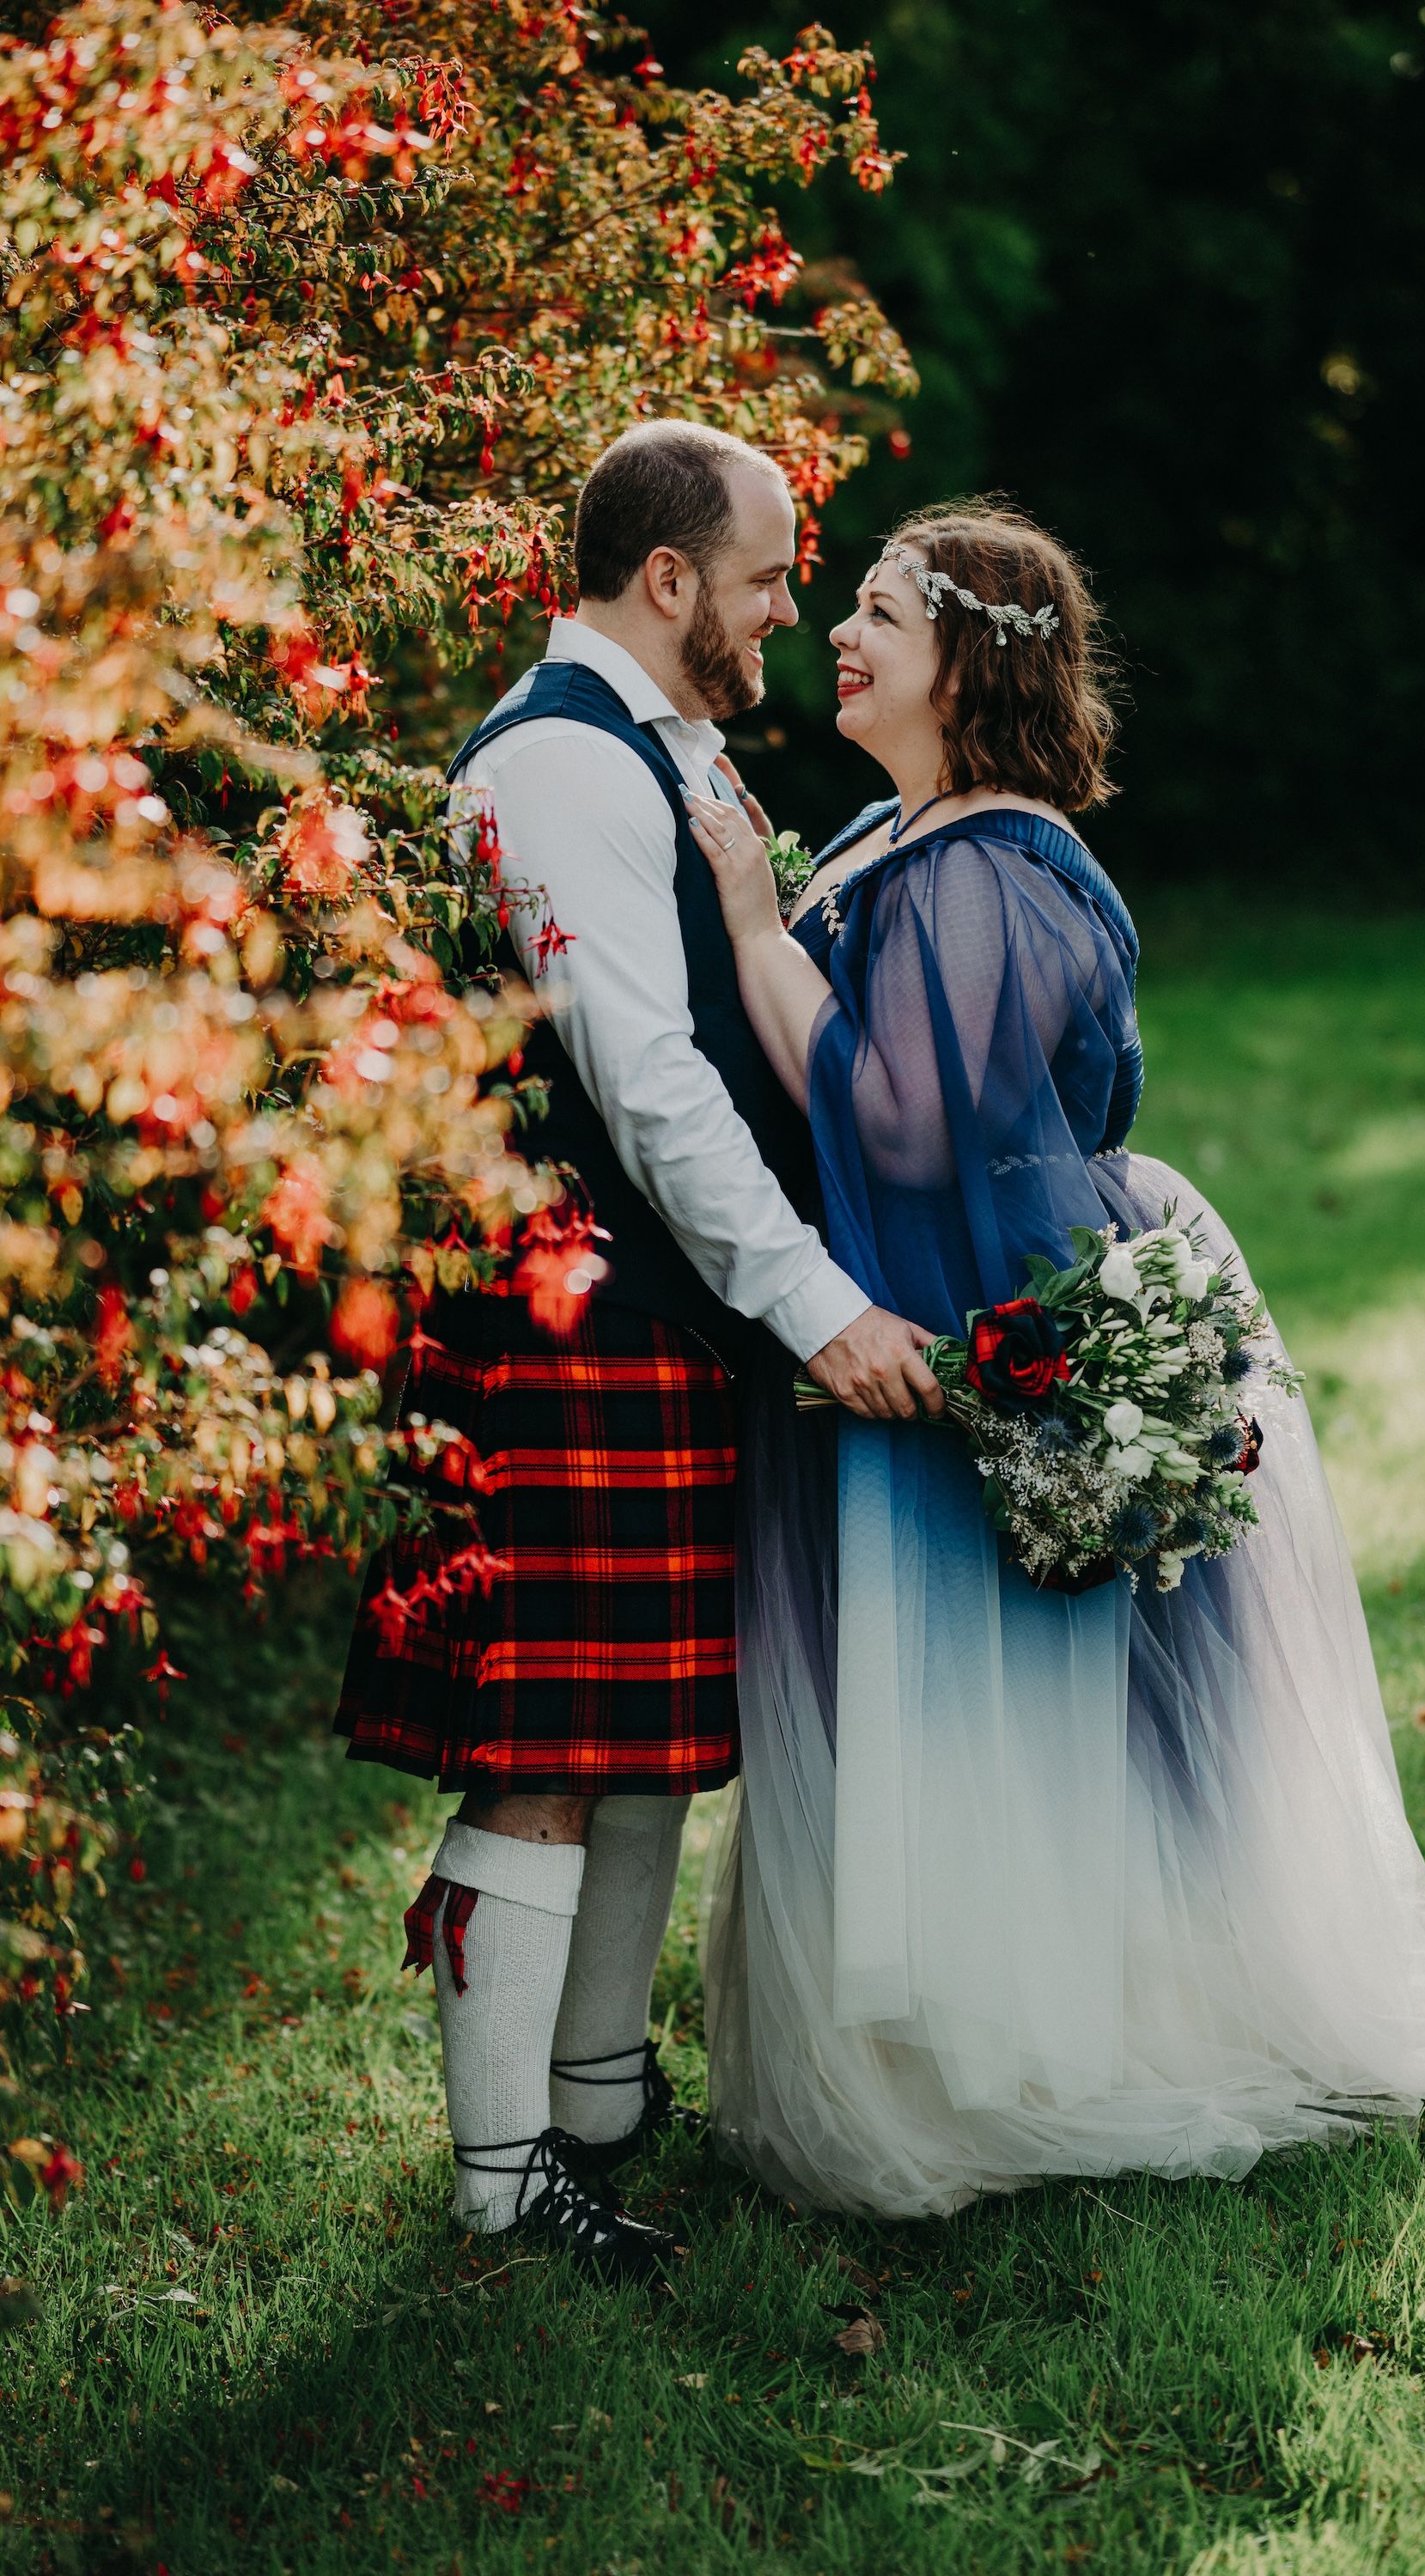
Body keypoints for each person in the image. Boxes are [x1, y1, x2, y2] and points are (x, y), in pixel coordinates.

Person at [685, 502, 1425, 2218]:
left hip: (987, 1315)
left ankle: (1038, 2055)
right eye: (843, 604)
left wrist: (762, 930)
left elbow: (913, 1125)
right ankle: (963, 2034)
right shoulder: (908, 832)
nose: (844, 633)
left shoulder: (986, 865)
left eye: (884, 614)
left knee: (1004, 1691)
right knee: (937, 1689)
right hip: (932, 1309)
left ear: (971, 661)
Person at [332, 423, 936, 2281]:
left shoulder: (657, 753)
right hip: (560, 1303)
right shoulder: (549, 768)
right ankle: (506, 2175)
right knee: (539, 1747)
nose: (783, 609)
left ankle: (597, 2095)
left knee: (646, 1733)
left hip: (643, 1303)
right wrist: (814, 1299)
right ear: (667, 578)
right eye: (762, 575)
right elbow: (646, 1084)